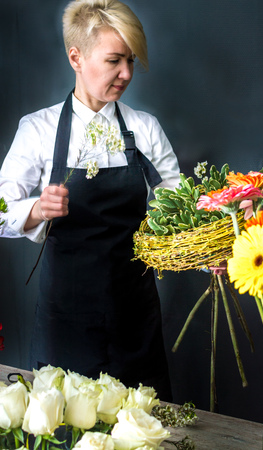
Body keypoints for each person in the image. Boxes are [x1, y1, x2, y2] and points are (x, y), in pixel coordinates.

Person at [0, 0, 180, 401]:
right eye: (114, 60)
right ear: (76, 57)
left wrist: (217, 234)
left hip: (136, 318)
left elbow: (178, 211)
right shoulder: (39, 129)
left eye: (131, 61)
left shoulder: (144, 129)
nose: (127, 74)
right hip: (65, 321)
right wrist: (34, 209)